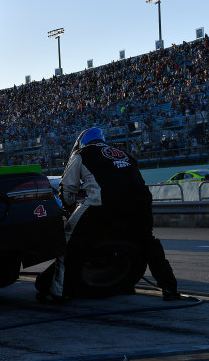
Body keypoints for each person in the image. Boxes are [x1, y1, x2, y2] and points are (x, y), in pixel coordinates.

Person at [36, 127, 180, 303]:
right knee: (147, 244)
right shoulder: (124, 154)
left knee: (67, 242)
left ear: (81, 142)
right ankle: (169, 288)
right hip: (139, 204)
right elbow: (137, 181)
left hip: (102, 203)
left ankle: (57, 293)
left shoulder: (82, 153)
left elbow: (67, 188)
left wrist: (70, 208)